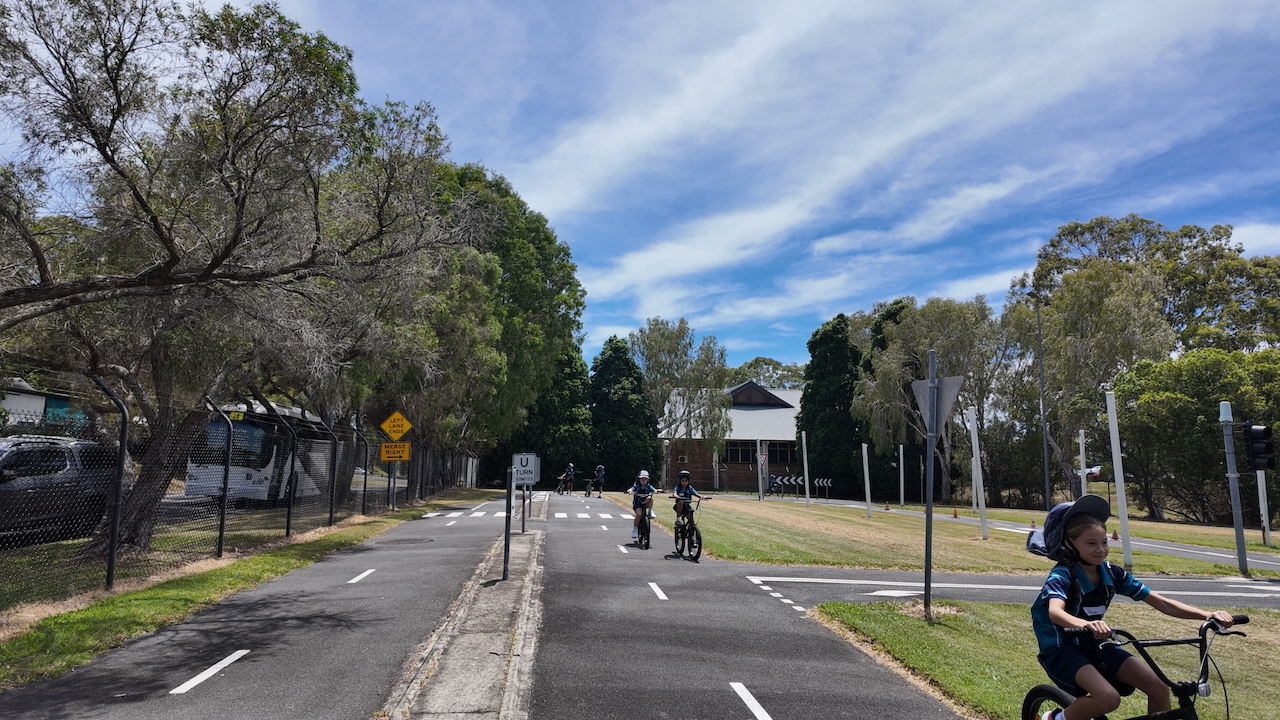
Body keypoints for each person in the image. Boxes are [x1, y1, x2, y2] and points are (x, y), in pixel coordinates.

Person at [1030, 495, 1235, 720]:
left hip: (1094, 643)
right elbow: (1055, 612)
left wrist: (1207, 615)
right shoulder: (1062, 575)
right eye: (1091, 543)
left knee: (1158, 686)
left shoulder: (1112, 573)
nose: (1100, 549)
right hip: (1061, 649)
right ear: (1067, 544)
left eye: (1104, 542)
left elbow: (1161, 602)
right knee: (1108, 698)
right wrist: (1088, 624)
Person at [624, 470, 657, 539]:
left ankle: (650, 511)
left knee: (650, 498)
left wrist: (655, 490)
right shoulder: (637, 485)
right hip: (638, 503)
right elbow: (632, 488)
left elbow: (653, 489)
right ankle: (635, 529)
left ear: (647, 480)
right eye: (642, 479)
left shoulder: (648, 486)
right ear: (639, 479)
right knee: (639, 514)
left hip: (646, 503)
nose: (643, 481)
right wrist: (630, 490)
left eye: (645, 479)